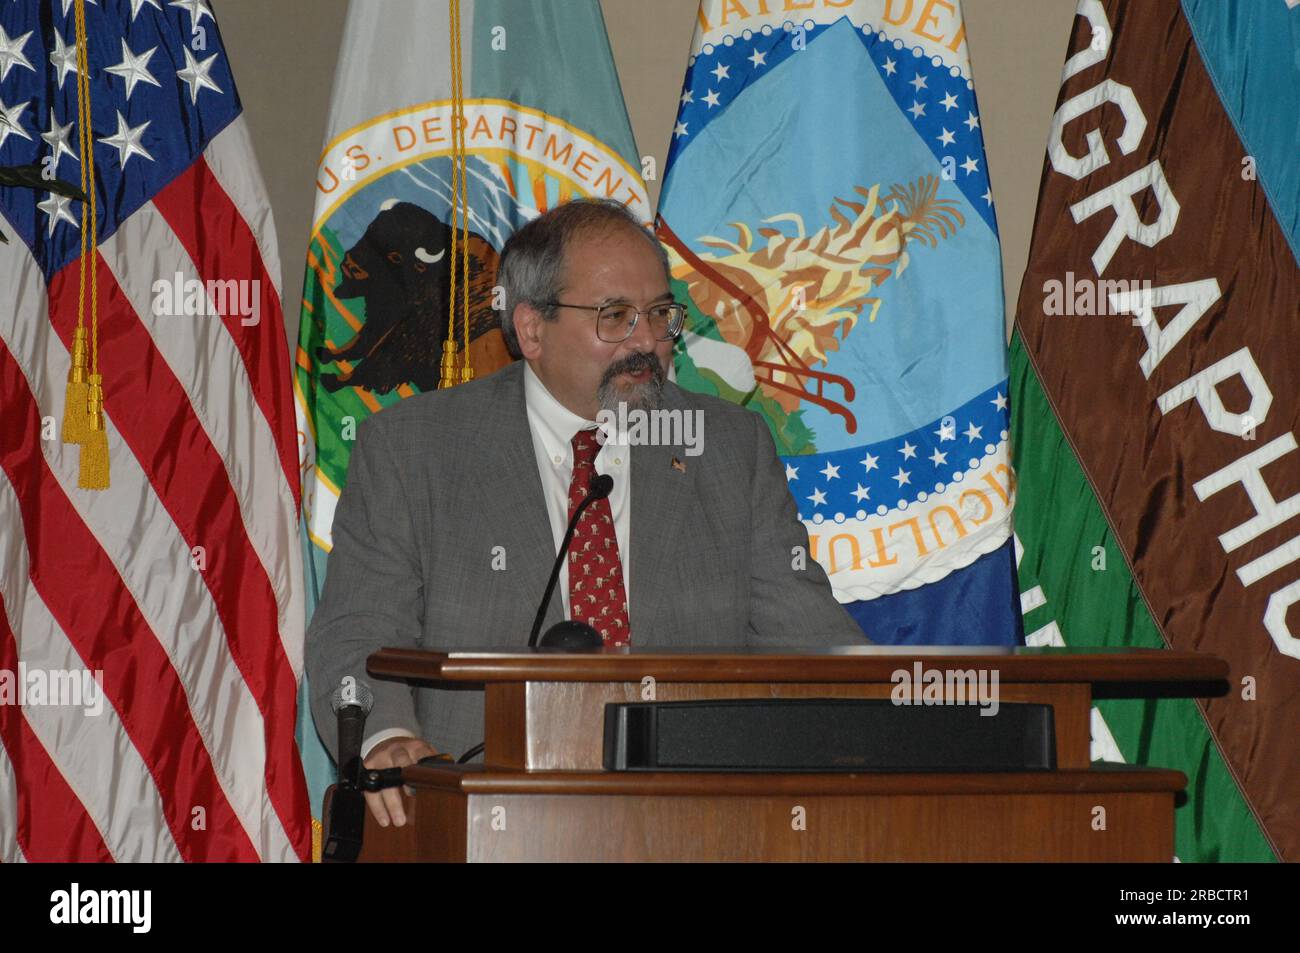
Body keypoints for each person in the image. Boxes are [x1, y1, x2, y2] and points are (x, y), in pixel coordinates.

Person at [306, 198, 867, 827]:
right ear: (531, 330)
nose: (648, 341)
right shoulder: (415, 449)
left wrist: (907, 716)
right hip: (483, 824)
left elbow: (814, 646)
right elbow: (356, 631)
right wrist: (387, 740)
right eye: (615, 316)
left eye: (659, 314)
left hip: (695, 827)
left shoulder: (728, 448)